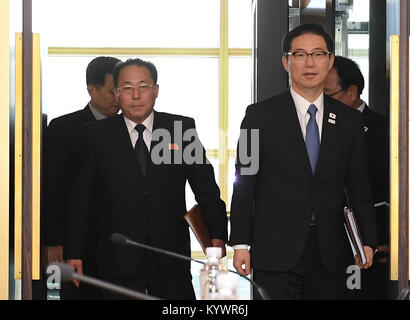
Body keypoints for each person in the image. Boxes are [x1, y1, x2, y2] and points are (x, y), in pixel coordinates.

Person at [229, 23, 377, 300]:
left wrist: (366, 240)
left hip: (331, 249)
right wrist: (240, 242)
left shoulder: (349, 121)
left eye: (318, 54)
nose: (310, 63)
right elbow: (244, 181)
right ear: (286, 62)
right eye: (300, 54)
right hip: (274, 249)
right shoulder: (257, 116)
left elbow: (359, 186)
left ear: (330, 60)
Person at [64, 58, 228, 299]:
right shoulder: (95, 135)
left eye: (143, 87)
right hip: (117, 255)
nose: (136, 95)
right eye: (127, 88)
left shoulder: (181, 129)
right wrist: (73, 251)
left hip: (170, 253)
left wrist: (217, 234)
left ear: (156, 91)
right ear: (117, 94)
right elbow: (81, 199)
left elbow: (205, 188)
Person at [45, 56, 121, 299]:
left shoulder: (131, 127)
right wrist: (53, 240)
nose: (118, 98)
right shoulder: (64, 129)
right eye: (112, 92)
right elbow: (53, 189)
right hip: (76, 243)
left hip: (119, 243)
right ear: (91, 90)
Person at [324, 56, 389, 299]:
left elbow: (387, 190)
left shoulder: (383, 129)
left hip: (369, 240)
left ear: (352, 92)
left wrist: (382, 239)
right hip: (327, 239)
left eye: (329, 94)